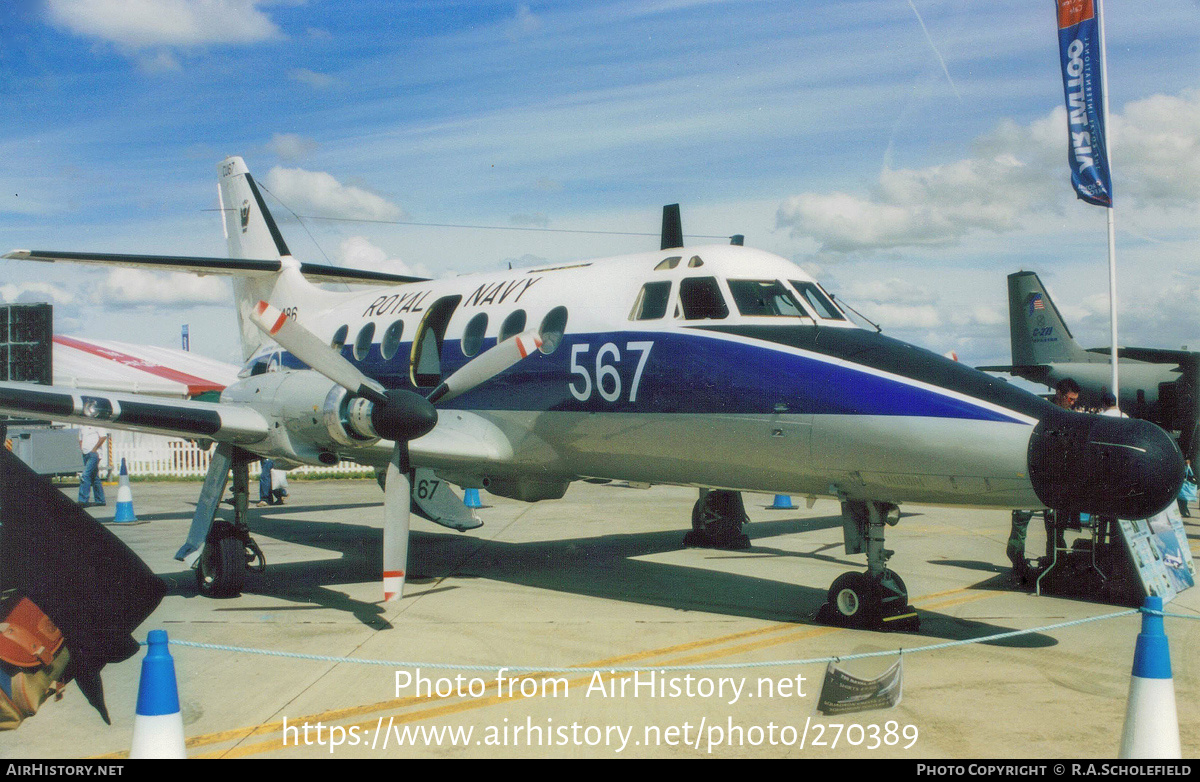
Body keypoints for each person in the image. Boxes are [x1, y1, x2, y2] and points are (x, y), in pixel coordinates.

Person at [1008, 378, 1081, 584]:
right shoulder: (1039, 412)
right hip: (1030, 479)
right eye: (1070, 398)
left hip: (1055, 483)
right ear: (1059, 394)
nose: (1072, 403)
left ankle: (1055, 563)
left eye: (1075, 400)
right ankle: (1018, 566)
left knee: (1055, 528)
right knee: (1020, 526)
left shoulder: (1072, 418)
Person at [77, 426, 107, 506]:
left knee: (85, 475)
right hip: (85, 453)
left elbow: (103, 437)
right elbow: (80, 439)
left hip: (94, 454)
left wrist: (94, 449)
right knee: (94, 477)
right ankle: (100, 500)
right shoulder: (81, 426)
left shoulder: (96, 424)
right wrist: (82, 449)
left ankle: (83, 500)